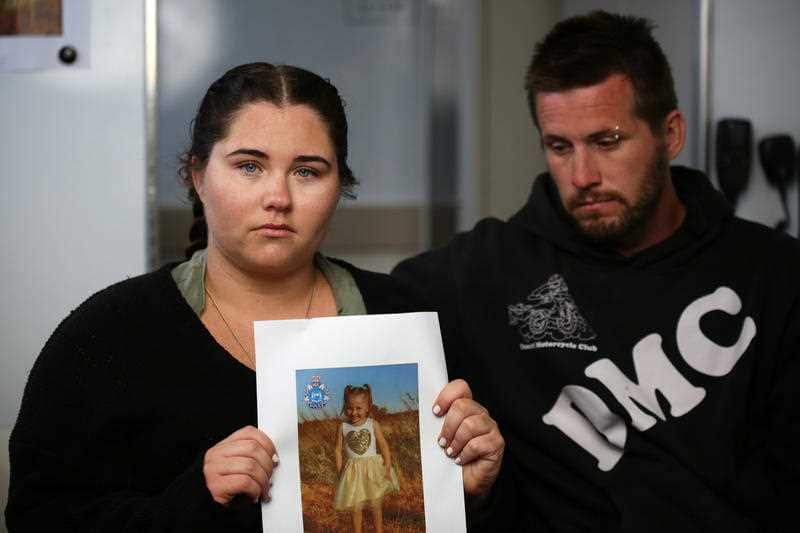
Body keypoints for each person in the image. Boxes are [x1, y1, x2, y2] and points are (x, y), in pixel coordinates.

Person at [5, 62, 504, 532]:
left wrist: (468, 494)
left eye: (307, 171)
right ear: (198, 176)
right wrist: (195, 498)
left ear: (339, 187)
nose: (279, 198)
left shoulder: (405, 319)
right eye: (249, 166)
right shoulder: (109, 333)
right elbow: (37, 516)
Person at [392, 10, 800, 532]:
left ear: (670, 134)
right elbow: (341, 307)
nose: (582, 176)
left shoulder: (772, 273)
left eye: (607, 142)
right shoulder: (489, 270)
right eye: (560, 147)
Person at [333, 384, 399, 533]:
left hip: (372, 470)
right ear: (345, 406)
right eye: (350, 408)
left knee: (376, 505)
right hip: (353, 473)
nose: (353, 412)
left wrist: (387, 466)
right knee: (356, 507)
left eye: (358, 408)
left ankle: (379, 530)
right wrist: (339, 470)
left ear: (368, 407)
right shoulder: (343, 427)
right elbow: (337, 450)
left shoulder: (373, 424)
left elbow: (384, 446)